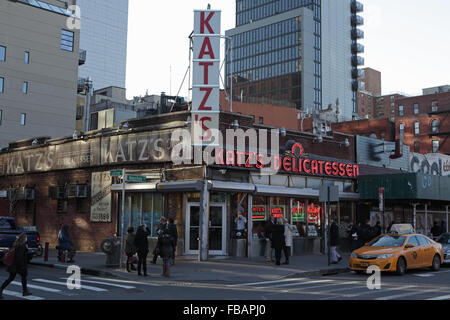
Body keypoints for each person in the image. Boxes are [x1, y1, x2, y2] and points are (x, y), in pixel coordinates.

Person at [0, 233, 32, 299]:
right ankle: (25, 291)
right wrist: (22, 266)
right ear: (23, 238)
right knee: (22, 277)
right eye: (26, 238)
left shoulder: (16, 244)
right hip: (18, 266)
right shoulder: (22, 245)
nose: (26, 239)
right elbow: (19, 257)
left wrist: (26, 249)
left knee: (12, 278)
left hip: (14, 265)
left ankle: (25, 291)